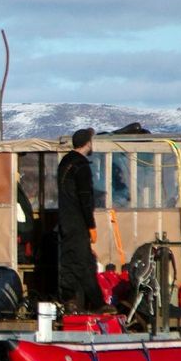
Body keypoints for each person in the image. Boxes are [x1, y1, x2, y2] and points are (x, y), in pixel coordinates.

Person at [57, 128, 114, 314]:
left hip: (65, 221)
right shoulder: (81, 165)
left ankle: (70, 300)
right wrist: (91, 225)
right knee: (84, 263)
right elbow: (85, 198)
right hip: (78, 222)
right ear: (87, 143)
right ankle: (96, 303)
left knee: (69, 262)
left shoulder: (65, 162)